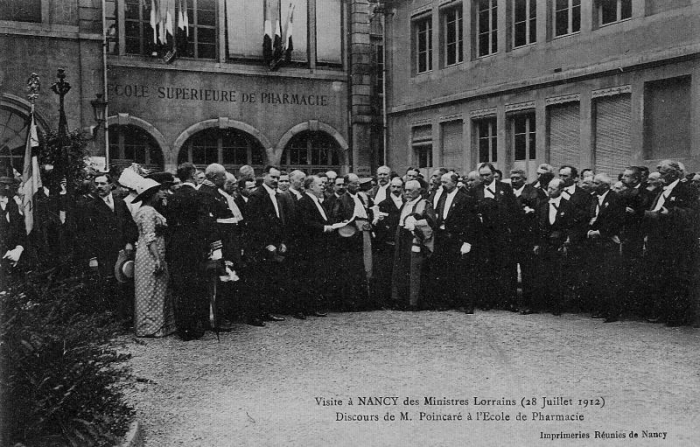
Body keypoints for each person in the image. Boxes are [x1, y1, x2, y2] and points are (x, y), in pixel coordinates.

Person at [167, 163, 221, 339]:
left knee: (181, 289)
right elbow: (204, 223)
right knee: (195, 287)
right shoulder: (197, 196)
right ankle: (194, 326)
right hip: (195, 247)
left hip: (177, 247)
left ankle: (183, 328)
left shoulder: (174, 196)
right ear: (192, 174)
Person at [643, 160, 699, 326]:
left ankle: (677, 315)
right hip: (658, 239)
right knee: (661, 277)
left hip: (676, 241)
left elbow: (693, 212)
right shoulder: (662, 190)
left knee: (676, 278)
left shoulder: (686, 189)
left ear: (675, 173)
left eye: (665, 173)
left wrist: (671, 212)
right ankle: (664, 312)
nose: (661, 176)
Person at [471, 162, 519, 311]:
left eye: (488, 175)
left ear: (493, 174)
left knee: (506, 267)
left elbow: (514, 210)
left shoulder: (505, 188)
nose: (485, 178)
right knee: (486, 267)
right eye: (482, 175)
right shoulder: (475, 190)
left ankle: (509, 301)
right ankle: (487, 300)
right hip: (483, 235)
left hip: (502, 234)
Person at [132, 178, 176, 338]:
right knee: (151, 288)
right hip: (151, 252)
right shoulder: (148, 211)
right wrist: (157, 258)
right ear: (151, 194)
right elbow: (150, 236)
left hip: (151, 250)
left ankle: (156, 325)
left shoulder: (146, 209)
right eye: (158, 191)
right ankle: (151, 327)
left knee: (154, 288)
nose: (161, 193)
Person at [244, 165, 288, 322]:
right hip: (260, 246)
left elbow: (279, 220)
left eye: (278, 177)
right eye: (273, 177)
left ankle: (266, 311)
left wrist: (281, 241)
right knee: (258, 281)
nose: (276, 180)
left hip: (275, 244)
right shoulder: (257, 196)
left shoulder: (277, 196)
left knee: (270, 280)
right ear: (264, 176)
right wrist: (266, 243)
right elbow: (255, 224)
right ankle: (254, 315)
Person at [429, 172, 478, 312]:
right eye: (442, 182)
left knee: (462, 272)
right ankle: (447, 301)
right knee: (444, 271)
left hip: (458, 239)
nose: (442, 185)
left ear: (455, 183)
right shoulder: (442, 197)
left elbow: (471, 222)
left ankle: (468, 304)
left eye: (445, 182)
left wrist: (467, 241)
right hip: (443, 238)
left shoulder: (465, 199)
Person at [329, 173, 374, 310]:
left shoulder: (361, 197)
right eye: (354, 183)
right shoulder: (341, 200)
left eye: (358, 183)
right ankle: (350, 302)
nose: (358, 186)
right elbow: (337, 219)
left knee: (362, 268)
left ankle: (362, 301)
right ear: (347, 184)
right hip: (349, 240)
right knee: (350, 271)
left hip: (363, 237)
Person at [533, 179, 578, 315]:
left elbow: (571, 226)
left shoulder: (568, 205)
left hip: (559, 244)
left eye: (553, 188)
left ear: (561, 190)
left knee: (557, 276)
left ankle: (556, 306)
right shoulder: (542, 204)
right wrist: (536, 243)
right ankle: (537, 305)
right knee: (540, 274)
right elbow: (536, 225)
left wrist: (566, 241)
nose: (550, 191)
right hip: (544, 243)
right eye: (549, 188)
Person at [585, 173, 624, 322]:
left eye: (596, 183)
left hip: (609, 241)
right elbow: (588, 218)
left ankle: (613, 311)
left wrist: (600, 232)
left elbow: (618, 220)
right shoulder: (593, 198)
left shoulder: (616, 198)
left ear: (605, 185)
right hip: (594, 242)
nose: (593, 185)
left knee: (610, 276)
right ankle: (600, 307)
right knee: (597, 275)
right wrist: (589, 231)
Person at [391, 180, 435, 310]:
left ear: (419, 190)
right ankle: (402, 299)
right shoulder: (405, 203)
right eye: (406, 190)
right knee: (402, 268)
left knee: (415, 269)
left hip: (416, 239)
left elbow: (431, 224)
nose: (407, 193)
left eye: (411, 190)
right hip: (402, 239)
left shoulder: (425, 204)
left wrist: (416, 225)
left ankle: (414, 302)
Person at [295, 175, 335, 317]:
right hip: (308, 247)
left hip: (318, 246)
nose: (323, 187)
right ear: (311, 187)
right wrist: (325, 228)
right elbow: (305, 223)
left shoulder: (318, 202)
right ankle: (302, 308)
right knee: (306, 277)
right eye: (320, 185)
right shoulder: (304, 202)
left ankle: (312, 306)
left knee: (315, 276)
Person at [509, 169, 546, 314]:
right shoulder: (507, 192)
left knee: (529, 272)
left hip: (527, 238)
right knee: (510, 271)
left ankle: (530, 303)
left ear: (524, 179)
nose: (514, 181)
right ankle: (512, 302)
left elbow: (539, 215)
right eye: (512, 178)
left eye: (517, 178)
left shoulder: (533, 192)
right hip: (511, 238)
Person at [372, 176, 404, 307]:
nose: (396, 189)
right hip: (388, 242)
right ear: (390, 187)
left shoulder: (406, 202)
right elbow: (381, 225)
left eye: (398, 187)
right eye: (394, 187)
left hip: (402, 241)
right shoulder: (384, 204)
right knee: (387, 271)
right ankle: (386, 300)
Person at [0, 176, 26, 290]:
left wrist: (19, 248)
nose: (6, 188)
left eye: (9, 186)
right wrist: (5, 253)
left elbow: (21, 230)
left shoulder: (13, 205)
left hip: (15, 258)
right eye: (2, 185)